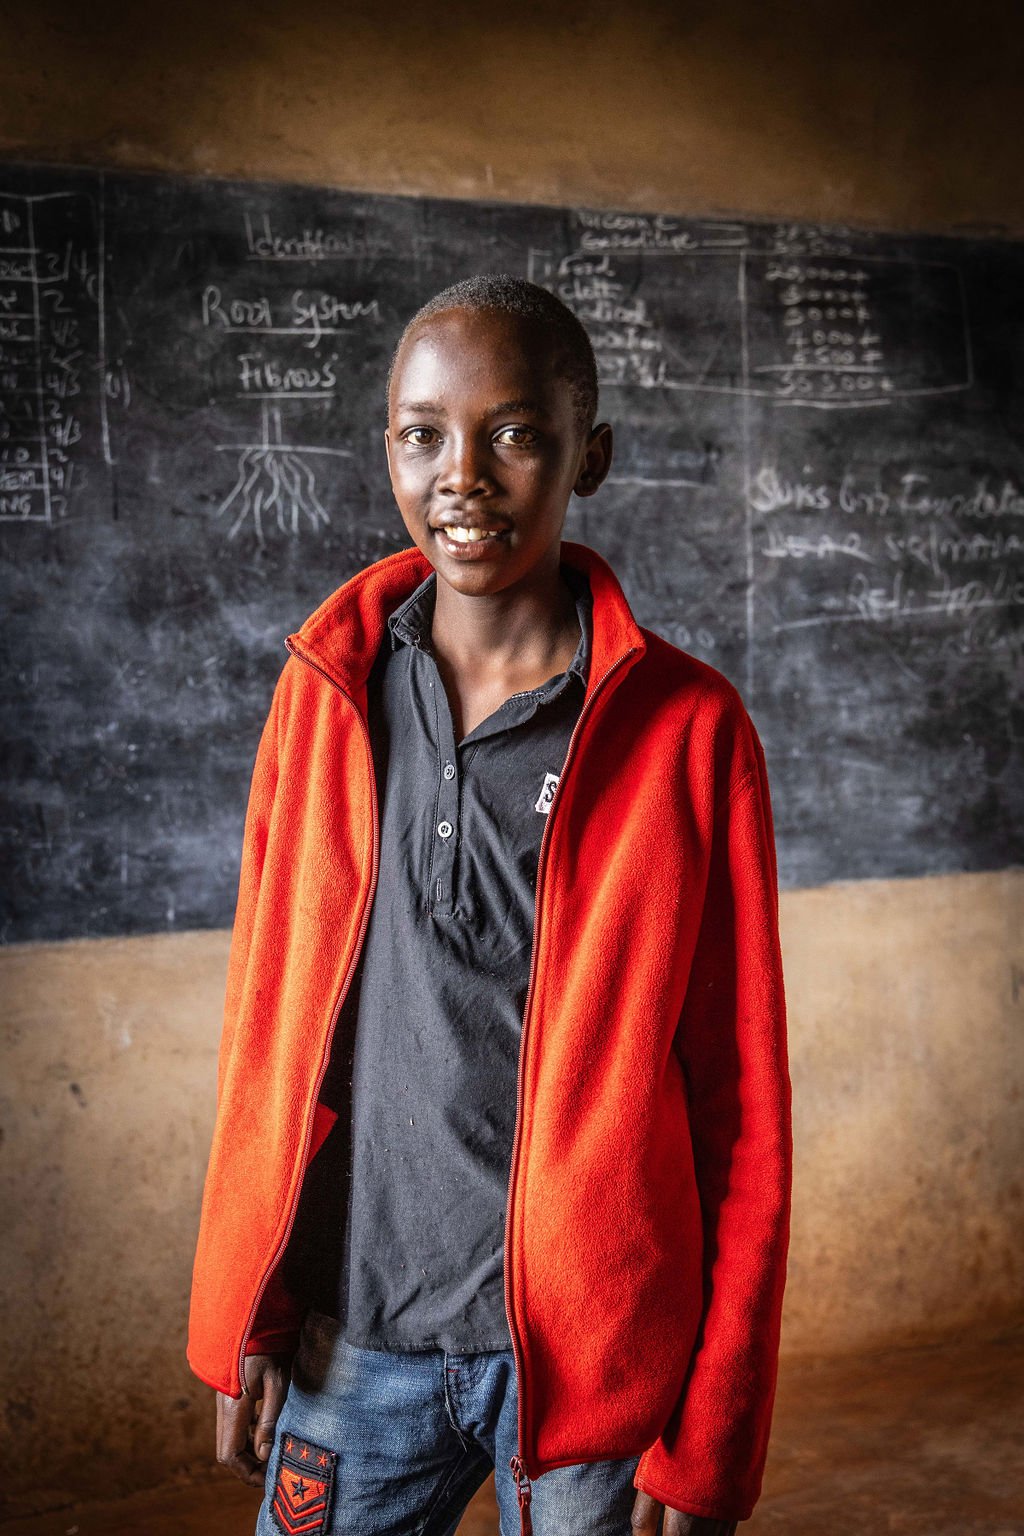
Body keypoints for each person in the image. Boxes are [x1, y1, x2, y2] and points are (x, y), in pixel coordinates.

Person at [188, 275, 792, 1536]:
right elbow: (272, 1022)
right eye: (422, 434)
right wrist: (252, 1295)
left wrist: (714, 1425)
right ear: (388, 450)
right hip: (357, 1343)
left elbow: (740, 1107)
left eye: (513, 433)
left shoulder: (687, 732)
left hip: (591, 1374)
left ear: (591, 455)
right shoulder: (327, 693)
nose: (461, 474)